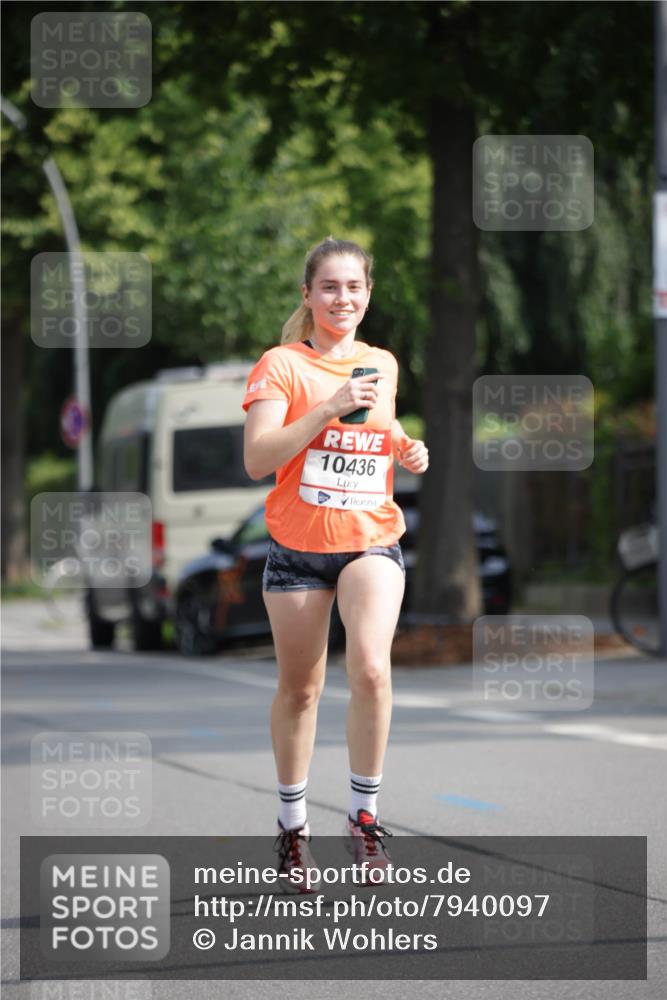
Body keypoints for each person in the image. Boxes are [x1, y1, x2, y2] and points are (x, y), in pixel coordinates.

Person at [242, 237, 428, 891]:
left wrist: (406, 447)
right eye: (329, 287)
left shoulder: (381, 362)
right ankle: (293, 828)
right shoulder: (281, 366)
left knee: (372, 669)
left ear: (367, 294)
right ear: (308, 296)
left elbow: (382, 424)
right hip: (297, 550)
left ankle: (363, 816)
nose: (341, 298)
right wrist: (324, 407)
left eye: (353, 287)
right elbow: (259, 460)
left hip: (369, 537)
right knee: (301, 691)